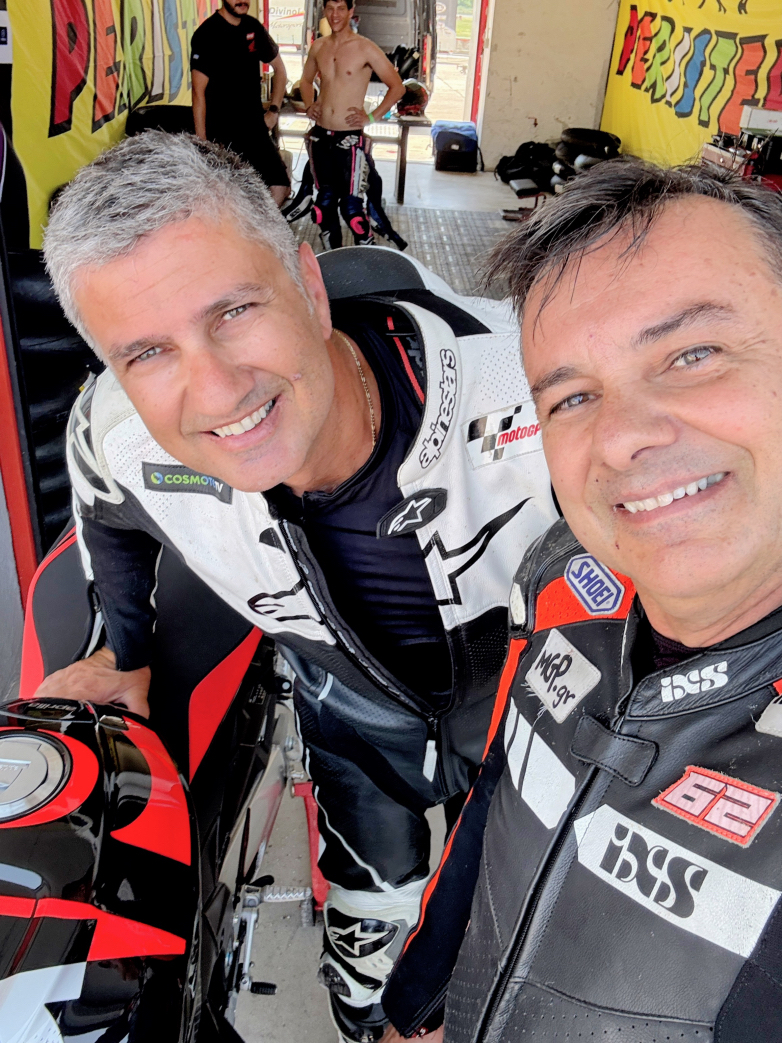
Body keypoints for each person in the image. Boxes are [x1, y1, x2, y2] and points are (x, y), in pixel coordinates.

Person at [41, 131, 557, 1043]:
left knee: (533, 963)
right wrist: (120, 648)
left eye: (235, 310)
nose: (215, 390)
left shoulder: (530, 374)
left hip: (538, 710)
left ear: (310, 289)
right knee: (369, 968)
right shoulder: (117, 429)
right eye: (148, 352)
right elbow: (101, 502)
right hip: (351, 717)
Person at [382, 159, 782, 1043]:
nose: (622, 436)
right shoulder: (561, 574)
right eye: (571, 396)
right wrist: (415, 1007)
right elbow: (500, 790)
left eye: (693, 354)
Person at [298, 0, 405, 248]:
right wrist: (310, 104)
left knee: (352, 210)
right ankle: (334, 260)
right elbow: (305, 80)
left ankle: (367, 261)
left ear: (351, 11)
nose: (335, 15)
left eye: (340, 9)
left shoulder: (365, 48)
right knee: (323, 207)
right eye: (330, 8)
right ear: (324, 11)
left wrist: (371, 117)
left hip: (350, 139)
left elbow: (397, 87)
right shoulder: (319, 46)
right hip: (321, 136)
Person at [191, 0, 290, 205]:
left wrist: (273, 111)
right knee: (229, 197)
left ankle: (259, 225)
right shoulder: (207, 33)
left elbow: (280, 70)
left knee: (280, 186)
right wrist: (202, 144)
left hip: (254, 127)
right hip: (222, 131)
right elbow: (198, 94)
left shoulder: (253, 27)